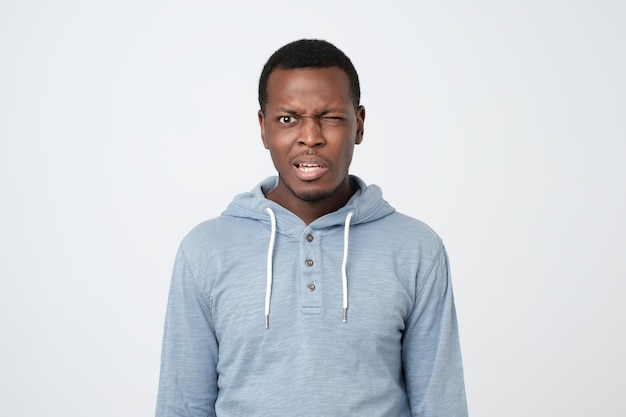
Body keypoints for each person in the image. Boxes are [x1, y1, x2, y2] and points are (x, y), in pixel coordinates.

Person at [156, 39, 468, 417]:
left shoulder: (417, 249)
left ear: (359, 124)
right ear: (263, 128)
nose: (310, 137)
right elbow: (182, 406)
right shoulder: (204, 250)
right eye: (288, 119)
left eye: (330, 117)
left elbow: (440, 405)